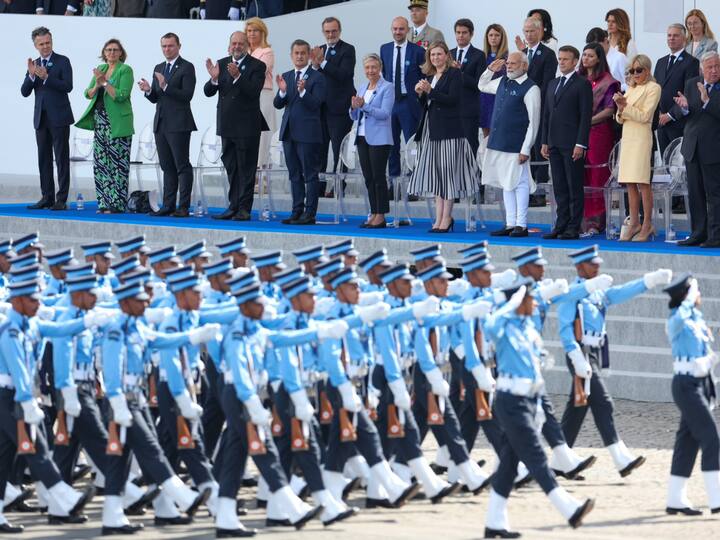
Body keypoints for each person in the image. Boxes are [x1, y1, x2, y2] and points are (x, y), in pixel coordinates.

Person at [482, 277, 595, 539]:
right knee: (536, 457)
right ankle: (569, 508)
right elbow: (489, 325)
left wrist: (539, 409)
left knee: (509, 464)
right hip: (510, 402)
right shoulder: (504, 325)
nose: (533, 303)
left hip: (528, 400)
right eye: (529, 299)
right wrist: (508, 303)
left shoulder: (527, 329)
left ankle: (494, 523)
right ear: (517, 302)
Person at [557, 245, 671, 478]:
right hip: (580, 354)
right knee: (604, 403)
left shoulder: (598, 292)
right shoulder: (572, 292)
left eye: (598, 262)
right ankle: (621, 458)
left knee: (578, 408)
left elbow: (620, 292)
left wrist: (648, 281)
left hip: (594, 353)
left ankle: (559, 462)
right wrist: (575, 356)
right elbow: (564, 328)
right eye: (592, 264)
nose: (597, 266)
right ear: (580, 267)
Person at [662, 274, 720, 516]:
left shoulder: (696, 319)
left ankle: (675, 498)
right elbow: (681, 317)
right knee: (711, 438)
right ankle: (717, 499)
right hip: (685, 384)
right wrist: (689, 297)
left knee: (687, 441)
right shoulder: (676, 320)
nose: (699, 296)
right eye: (695, 292)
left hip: (699, 383)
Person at [408, 41, 481, 233]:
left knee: (448, 177)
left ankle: (446, 218)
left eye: (439, 54)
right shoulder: (430, 75)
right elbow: (427, 103)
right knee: (437, 177)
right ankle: (439, 218)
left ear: (446, 55)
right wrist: (421, 94)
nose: (435, 58)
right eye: (432, 55)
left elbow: (453, 100)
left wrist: (431, 91)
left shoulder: (455, 74)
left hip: (450, 131)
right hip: (432, 131)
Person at [204, 31, 268, 222]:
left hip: (248, 126)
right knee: (232, 167)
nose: (237, 47)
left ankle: (244, 209)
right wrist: (214, 79)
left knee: (246, 169)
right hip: (227, 125)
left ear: (247, 46)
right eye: (234, 43)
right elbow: (208, 92)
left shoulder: (258, 65)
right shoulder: (222, 63)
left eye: (241, 44)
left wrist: (239, 76)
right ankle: (233, 206)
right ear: (229, 45)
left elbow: (253, 92)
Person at [479, 52, 541, 238]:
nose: (509, 66)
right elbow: (482, 85)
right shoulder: (502, 81)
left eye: (514, 63)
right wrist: (490, 70)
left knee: (519, 183)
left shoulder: (531, 89)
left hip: (516, 144)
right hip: (499, 142)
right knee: (506, 184)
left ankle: (521, 224)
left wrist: (526, 148)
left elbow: (533, 121)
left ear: (524, 66)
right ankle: (510, 223)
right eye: (508, 63)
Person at [139, 32, 197, 218]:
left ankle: (184, 206)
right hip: (161, 123)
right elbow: (157, 98)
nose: (167, 49)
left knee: (182, 166)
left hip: (179, 123)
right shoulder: (159, 67)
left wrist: (165, 86)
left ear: (179, 46)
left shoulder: (187, 67)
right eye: (164, 46)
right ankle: (168, 204)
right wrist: (149, 91)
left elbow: (187, 95)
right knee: (167, 167)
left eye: (170, 46)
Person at [75, 38, 134, 214]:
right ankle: (104, 202)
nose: (111, 53)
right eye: (108, 50)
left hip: (117, 122)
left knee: (118, 163)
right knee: (101, 163)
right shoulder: (101, 69)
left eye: (115, 50)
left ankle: (117, 203)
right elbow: (88, 93)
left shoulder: (125, 70)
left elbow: (121, 95)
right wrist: (97, 84)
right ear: (104, 53)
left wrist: (105, 83)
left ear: (121, 53)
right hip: (100, 120)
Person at [541, 45, 592, 240]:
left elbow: (585, 116)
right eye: (559, 59)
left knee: (574, 186)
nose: (561, 62)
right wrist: (545, 140)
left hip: (572, 144)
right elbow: (547, 114)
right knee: (559, 186)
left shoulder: (582, 84)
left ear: (575, 61)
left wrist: (581, 143)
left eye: (565, 59)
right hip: (554, 142)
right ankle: (560, 224)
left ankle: (573, 226)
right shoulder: (553, 83)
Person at [273, 39, 326, 226]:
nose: (299, 56)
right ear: (291, 55)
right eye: (296, 53)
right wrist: (281, 92)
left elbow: (317, 104)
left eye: (303, 53)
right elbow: (278, 104)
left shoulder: (317, 77)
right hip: (289, 132)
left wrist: (303, 92)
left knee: (310, 174)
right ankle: (296, 211)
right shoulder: (287, 76)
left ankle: (310, 213)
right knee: (294, 174)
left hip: (308, 134)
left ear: (309, 55)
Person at [21, 27, 74, 211]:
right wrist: (31, 75)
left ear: (52, 41)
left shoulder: (62, 61)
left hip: (60, 117)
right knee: (43, 159)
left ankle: (61, 199)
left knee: (61, 159)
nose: (45, 46)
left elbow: (68, 86)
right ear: (35, 45)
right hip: (41, 118)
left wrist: (47, 77)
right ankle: (47, 197)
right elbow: (24, 92)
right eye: (41, 44)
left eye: (48, 42)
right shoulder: (34, 64)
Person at [613, 54, 661, 242]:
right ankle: (634, 222)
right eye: (632, 71)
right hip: (628, 137)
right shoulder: (631, 89)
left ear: (647, 71)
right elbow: (619, 117)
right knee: (629, 182)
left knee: (643, 183)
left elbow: (645, 116)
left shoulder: (654, 88)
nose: (635, 74)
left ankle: (647, 223)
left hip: (641, 138)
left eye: (638, 70)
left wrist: (624, 107)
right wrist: (620, 107)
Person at [675, 51, 720, 248]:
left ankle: (716, 235)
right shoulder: (692, 83)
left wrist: (707, 100)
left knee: (714, 194)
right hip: (692, 147)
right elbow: (686, 113)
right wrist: (683, 108)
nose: (714, 70)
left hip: (714, 148)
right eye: (710, 67)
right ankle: (698, 233)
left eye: (717, 66)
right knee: (695, 193)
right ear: (702, 68)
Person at [578, 42, 620, 235]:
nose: (586, 58)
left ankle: (596, 222)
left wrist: (587, 121)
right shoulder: (578, 79)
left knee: (597, 176)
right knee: (581, 175)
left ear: (599, 59)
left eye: (590, 56)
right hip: (578, 133)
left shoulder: (608, 82)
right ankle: (581, 221)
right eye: (584, 55)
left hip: (599, 133)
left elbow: (610, 110)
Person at [312, 17, 356, 196]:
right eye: (327, 31)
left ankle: (339, 188)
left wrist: (322, 63)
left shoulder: (348, 49)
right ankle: (320, 187)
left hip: (339, 110)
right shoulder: (319, 50)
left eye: (334, 31)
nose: (331, 34)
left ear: (340, 31)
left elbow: (344, 75)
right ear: (323, 32)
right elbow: (315, 78)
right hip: (320, 109)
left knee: (340, 150)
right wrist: (314, 67)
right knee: (320, 150)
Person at [350, 53, 394, 229]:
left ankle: (381, 215)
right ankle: (373, 212)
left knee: (378, 177)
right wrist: (353, 107)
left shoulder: (387, 87)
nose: (371, 71)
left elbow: (384, 113)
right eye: (367, 68)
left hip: (379, 139)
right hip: (361, 136)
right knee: (368, 177)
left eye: (374, 67)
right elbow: (355, 114)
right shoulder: (362, 87)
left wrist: (364, 106)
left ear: (380, 68)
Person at [380, 16, 425, 178]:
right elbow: (384, 75)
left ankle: (413, 182)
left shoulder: (418, 51)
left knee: (411, 144)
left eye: (401, 29)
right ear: (391, 30)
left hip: (409, 102)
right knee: (391, 144)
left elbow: (423, 76)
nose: (398, 32)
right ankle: (393, 181)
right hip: (390, 103)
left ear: (407, 30)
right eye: (395, 29)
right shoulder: (384, 49)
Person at [521, 16, 557, 203]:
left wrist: (530, 96)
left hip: (539, 107)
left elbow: (547, 82)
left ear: (540, 31)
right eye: (526, 31)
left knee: (538, 147)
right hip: (521, 110)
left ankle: (540, 191)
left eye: (532, 31)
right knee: (524, 148)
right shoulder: (520, 53)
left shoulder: (548, 54)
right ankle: (525, 188)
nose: (529, 35)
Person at [654, 24, 699, 157]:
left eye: (675, 35)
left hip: (678, 122)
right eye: (669, 35)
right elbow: (655, 90)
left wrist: (670, 115)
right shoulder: (660, 62)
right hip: (661, 123)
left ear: (684, 38)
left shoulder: (691, 62)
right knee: (665, 165)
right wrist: (658, 114)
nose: (671, 38)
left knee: (678, 166)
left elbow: (689, 93)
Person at [450, 18, 486, 155]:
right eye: (458, 32)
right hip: (451, 108)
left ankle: (474, 173)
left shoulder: (479, 55)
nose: (460, 36)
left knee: (470, 143)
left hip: (469, 108)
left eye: (464, 32)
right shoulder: (449, 54)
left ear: (471, 34)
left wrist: (460, 72)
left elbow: (479, 84)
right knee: (452, 144)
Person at [245, 17, 276, 171]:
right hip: (245, 96)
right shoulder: (244, 51)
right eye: (249, 31)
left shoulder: (267, 51)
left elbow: (258, 70)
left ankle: (261, 173)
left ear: (262, 32)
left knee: (263, 135)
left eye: (255, 30)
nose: (251, 34)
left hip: (263, 95)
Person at [480, 24, 508, 139]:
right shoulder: (482, 56)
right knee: (485, 135)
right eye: (491, 35)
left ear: (502, 38)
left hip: (498, 98)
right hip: (483, 98)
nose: (493, 38)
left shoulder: (506, 58)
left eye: (497, 35)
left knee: (496, 134)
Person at [586, 27, 627, 91]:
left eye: (596, 45)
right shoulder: (589, 59)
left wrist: (612, 88)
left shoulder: (619, 57)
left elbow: (629, 83)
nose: (593, 49)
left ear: (605, 40)